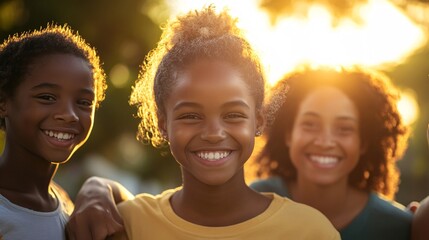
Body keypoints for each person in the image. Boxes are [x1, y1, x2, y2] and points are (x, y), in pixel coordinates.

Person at [67, 6, 340, 240]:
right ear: (162, 123)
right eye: (191, 116)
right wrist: (97, 186)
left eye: (233, 115)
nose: (213, 133)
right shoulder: (125, 226)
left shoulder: (310, 231)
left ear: (259, 120)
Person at [249, 67, 412, 240]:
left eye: (344, 129)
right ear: (288, 134)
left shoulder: (398, 227)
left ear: (363, 143)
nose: (325, 142)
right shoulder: (253, 205)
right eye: (310, 124)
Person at [0, 24, 107, 240]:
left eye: (83, 102)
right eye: (47, 97)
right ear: (4, 102)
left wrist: (99, 188)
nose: (69, 115)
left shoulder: (66, 205)